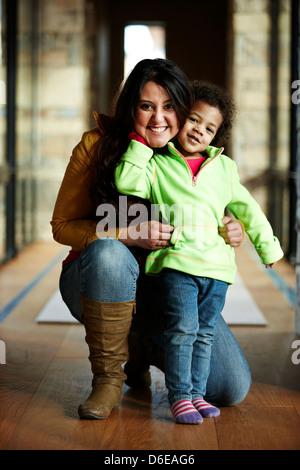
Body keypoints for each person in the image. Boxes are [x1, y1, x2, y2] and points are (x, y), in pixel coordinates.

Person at [51, 59, 248, 421]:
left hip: (172, 287)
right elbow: (61, 225)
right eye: (147, 106)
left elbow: (217, 206)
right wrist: (125, 235)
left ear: (185, 109)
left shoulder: (198, 155)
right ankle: (108, 378)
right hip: (96, 278)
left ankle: (144, 347)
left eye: (170, 106)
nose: (159, 118)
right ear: (131, 106)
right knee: (111, 253)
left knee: (231, 386)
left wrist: (227, 224)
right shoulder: (95, 146)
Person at [114, 80, 284, 424]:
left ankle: (195, 394)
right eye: (194, 120)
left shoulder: (225, 169)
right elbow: (127, 183)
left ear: (217, 135)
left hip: (217, 271)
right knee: (182, 330)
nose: (199, 131)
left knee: (204, 333)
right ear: (180, 117)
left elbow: (248, 208)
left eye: (209, 128)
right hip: (177, 265)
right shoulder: (159, 164)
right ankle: (179, 397)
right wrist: (141, 145)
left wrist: (267, 245)